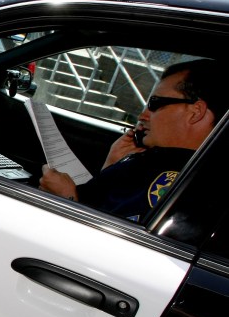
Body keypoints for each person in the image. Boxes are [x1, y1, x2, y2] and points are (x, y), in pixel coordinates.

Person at [39, 59, 225, 221]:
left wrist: (67, 200)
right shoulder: (157, 161)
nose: (143, 115)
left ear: (196, 112)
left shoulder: (184, 185)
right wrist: (110, 168)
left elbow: (120, 248)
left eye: (154, 104)